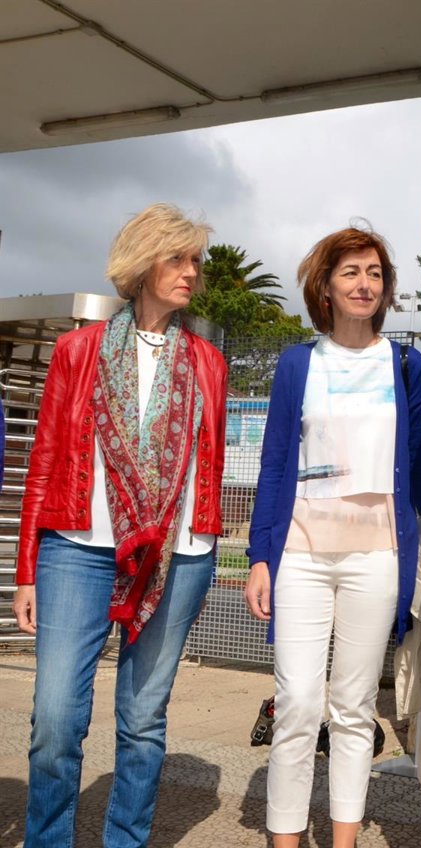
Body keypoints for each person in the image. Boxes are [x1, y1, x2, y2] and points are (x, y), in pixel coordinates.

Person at [13, 203, 227, 848]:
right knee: (55, 719)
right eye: (176, 258)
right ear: (141, 264)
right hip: (77, 549)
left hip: (177, 554)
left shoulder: (207, 361)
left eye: (195, 261)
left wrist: (204, 541)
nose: (191, 272)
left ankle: (125, 840)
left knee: (142, 719)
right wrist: (27, 569)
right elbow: (45, 458)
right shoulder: (77, 351)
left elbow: (209, 464)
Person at [243, 226, 421, 848]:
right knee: (299, 703)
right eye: (351, 272)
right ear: (325, 287)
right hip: (300, 554)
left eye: (375, 273)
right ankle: (285, 839)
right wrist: (259, 557)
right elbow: (275, 462)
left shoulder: (405, 364)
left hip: (377, 556)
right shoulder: (298, 363)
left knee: (354, 708)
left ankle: (343, 841)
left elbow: (420, 462)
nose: (364, 284)